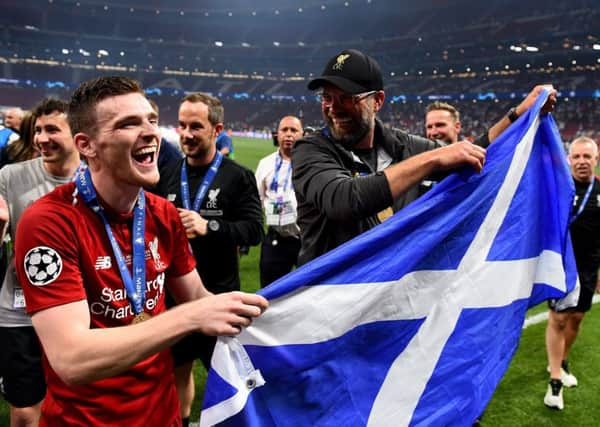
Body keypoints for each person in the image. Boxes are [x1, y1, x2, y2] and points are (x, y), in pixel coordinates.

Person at [10, 76, 268, 426]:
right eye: (129, 124)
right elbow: (72, 359)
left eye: (150, 120)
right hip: (85, 420)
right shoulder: (49, 221)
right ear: (86, 145)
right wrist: (192, 316)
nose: (150, 132)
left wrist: (264, 314)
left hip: (161, 416)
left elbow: (196, 296)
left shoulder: (163, 214)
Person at [292, 48, 556, 265]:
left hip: (378, 300)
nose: (334, 108)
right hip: (326, 304)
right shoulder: (310, 149)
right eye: (327, 97)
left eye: (347, 98)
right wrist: (433, 159)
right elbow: (345, 200)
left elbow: (477, 152)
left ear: (378, 101)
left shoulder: (397, 144)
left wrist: (519, 113)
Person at [152, 92, 263, 425]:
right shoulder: (166, 175)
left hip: (218, 295)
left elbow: (254, 230)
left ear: (217, 130)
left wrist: (208, 226)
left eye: (196, 127)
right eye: (182, 125)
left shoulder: (238, 176)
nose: (186, 134)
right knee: (177, 369)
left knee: (230, 375)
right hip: (173, 299)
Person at [0, 98, 79, 427]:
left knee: (75, 406)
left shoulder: (97, 179)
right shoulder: (10, 176)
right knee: (25, 409)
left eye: (52, 130)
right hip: (20, 310)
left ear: (78, 135)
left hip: (77, 310)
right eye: (38, 130)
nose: (42, 138)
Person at [544, 136, 600, 410]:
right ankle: (554, 383)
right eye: (576, 157)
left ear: (595, 160)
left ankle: (561, 361)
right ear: (568, 159)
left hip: (589, 268)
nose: (581, 162)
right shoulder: (559, 188)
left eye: (586, 157)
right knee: (558, 319)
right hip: (562, 267)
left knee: (576, 319)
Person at [255, 116, 303, 287]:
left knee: (309, 293)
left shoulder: (311, 164)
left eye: (294, 130)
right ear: (277, 134)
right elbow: (257, 199)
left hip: (305, 239)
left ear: (302, 135)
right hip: (276, 238)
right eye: (284, 130)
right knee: (270, 292)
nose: (288, 135)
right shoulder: (265, 164)